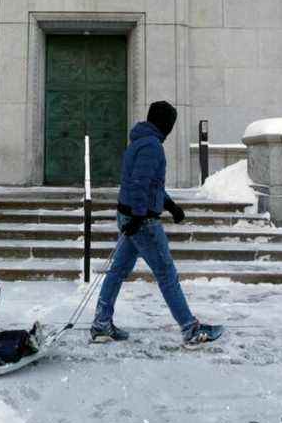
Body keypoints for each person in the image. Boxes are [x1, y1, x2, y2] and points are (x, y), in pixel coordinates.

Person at [90, 101, 224, 348]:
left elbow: (150, 185)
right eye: (171, 122)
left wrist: (170, 205)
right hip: (142, 222)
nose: (172, 128)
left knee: (117, 271)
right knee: (166, 274)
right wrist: (139, 217)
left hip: (130, 216)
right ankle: (190, 329)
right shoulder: (152, 146)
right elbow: (141, 184)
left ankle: (101, 323)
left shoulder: (139, 142)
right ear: (163, 122)